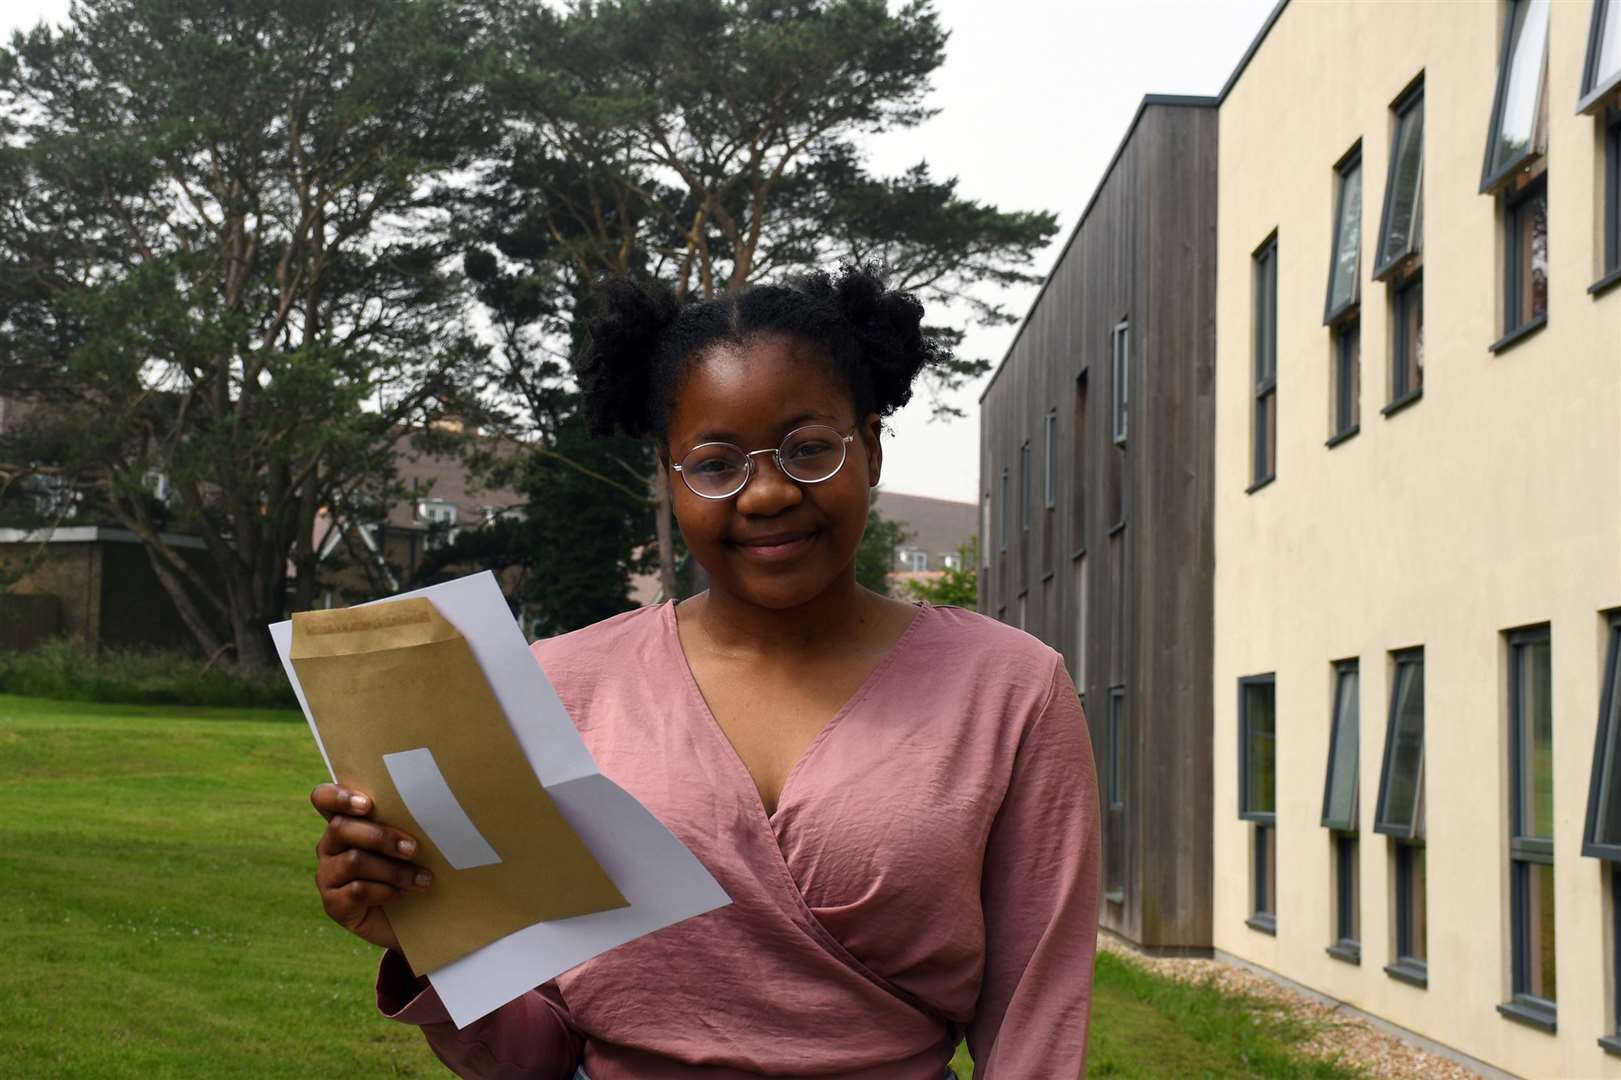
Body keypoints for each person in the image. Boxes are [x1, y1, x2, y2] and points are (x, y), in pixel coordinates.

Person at [308, 264, 1101, 1079]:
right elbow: (535, 1048)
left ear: (867, 445)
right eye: (716, 463)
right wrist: (431, 942)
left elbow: (1034, 1019)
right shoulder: (559, 683)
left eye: (807, 449)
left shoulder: (1010, 689)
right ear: (670, 475)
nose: (765, 494)